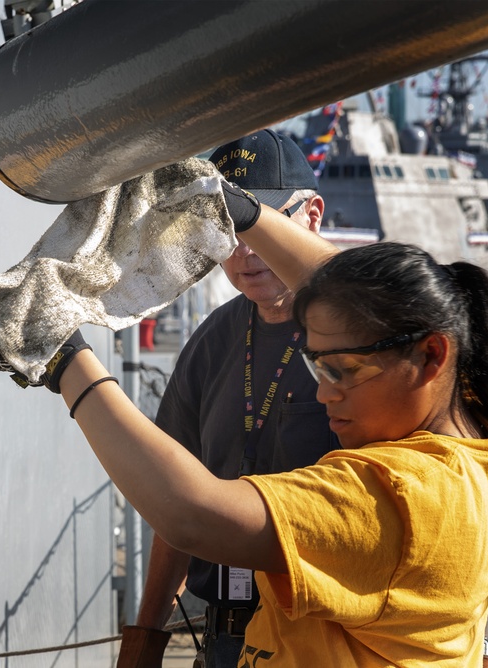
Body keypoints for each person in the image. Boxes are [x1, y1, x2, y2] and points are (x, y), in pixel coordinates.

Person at [0, 173, 488, 666]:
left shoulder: (398, 496)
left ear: (431, 355)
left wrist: (64, 358)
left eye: (345, 370)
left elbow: (190, 516)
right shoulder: (469, 414)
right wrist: (243, 212)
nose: (325, 392)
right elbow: (368, 304)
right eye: (317, 367)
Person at [120, 130, 340, 667]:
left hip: (324, 640)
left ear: (311, 217)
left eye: (254, 222)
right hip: (223, 639)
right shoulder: (213, 339)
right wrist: (146, 637)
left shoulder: (362, 341)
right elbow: (175, 503)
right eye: (224, 228)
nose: (242, 250)